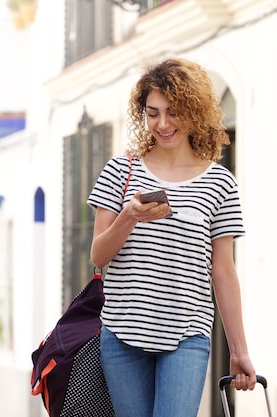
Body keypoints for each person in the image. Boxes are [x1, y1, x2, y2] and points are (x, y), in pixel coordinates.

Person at [87, 58, 256, 417]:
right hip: (122, 333)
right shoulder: (121, 171)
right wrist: (129, 216)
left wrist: (239, 349)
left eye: (173, 112)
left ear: (194, 111)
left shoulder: (219, 183)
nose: (162, 124)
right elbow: (98, 255)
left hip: (187, 335)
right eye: (153, 113)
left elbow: (223, 270)